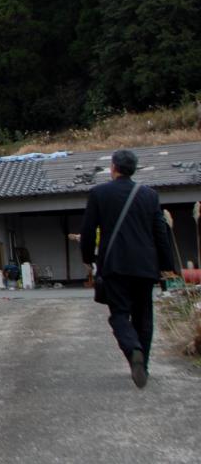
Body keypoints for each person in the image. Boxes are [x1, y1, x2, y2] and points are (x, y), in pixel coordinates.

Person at [79, 148, 178, 388]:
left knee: (120, 314)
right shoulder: (149, 195)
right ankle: (143, 365)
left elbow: (88, 230)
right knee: (144, 316)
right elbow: (161, 232)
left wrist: (88, 258)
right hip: (146, 267)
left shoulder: (99, 193)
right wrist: (167, 265)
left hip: (115, 266)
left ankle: (133, 351)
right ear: (134, 169)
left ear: (113, 167)